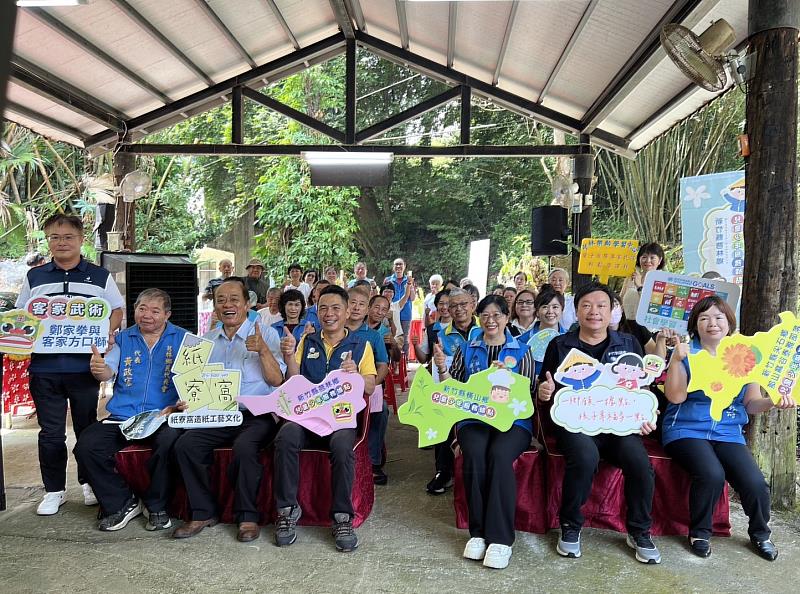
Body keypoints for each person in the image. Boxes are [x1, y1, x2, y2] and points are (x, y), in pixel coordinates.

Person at [538, 281, 661, 564]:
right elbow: (545, 388)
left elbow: (642, 389)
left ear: (611, 311)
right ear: (577, 311)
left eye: (601, 306)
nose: (594, 311)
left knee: (640, 463)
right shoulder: (560, 345)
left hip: (619, 424)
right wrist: (544, 393)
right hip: (576, 425)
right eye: (587, 305)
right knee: (584, 456)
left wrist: (646, 416)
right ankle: (570, 526)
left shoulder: (629, 343)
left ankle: (639, 531)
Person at [663, 296, 794, 561]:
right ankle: (700, 532)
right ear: (695, 325)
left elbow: (751, 403)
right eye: (704, 318)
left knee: (755, 482)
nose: (712, 323)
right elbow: (675, 398)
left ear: (729, 323)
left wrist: (773, 401)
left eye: (718, 317)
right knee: (711, 473)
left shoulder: (746, 356)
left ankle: (760, 533)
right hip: (686, 430)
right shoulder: (687, 354)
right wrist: (676, 361)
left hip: (727, 431)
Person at [16, 214, 124, 516]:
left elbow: (116, 309)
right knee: (50, 433)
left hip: (84, 368)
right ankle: (54, 491)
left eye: (68, 237)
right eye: (54, 237)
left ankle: (89, 483)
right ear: (47, 240)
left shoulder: (99, 275)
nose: (61, 242)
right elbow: (20, 317)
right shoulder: (34, 277)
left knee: (86, 430)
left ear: (80, 240)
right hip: (44, 369)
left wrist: (106, 333)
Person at [172, 278, 285, 542]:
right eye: (221, 300)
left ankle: (247, 516)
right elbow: (193, 382)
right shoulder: (206, 340)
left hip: (256, 414)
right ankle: (202, 512)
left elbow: (277, 381)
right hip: (218, 414)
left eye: (234, 299)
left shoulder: (266, 333)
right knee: (186, 445)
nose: (228, 305)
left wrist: (263, 351)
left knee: (245, 448)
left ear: (248, 304)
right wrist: (187, 400)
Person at [434, 294, 535, 570]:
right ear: (480, 318)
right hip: (474, 420)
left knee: (500, 455)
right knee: (475, 453)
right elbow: (452, 389)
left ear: (506, 318)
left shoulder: (521, 351)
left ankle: (501, 539)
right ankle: (478, 532)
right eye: (486, 315)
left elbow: (527, 395)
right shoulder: (468, 348)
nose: (491, 321)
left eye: (497, 315)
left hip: (513, 421)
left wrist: (508, 380)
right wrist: (442, 366)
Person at [275, 285, 377, 552]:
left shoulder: (361, 344)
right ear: (316, 312)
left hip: (340, 418)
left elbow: (370, 386)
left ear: (347, 313)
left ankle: (342, 517)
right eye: (323, 308)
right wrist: (289, 355)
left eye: (335, 308)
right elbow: (293, 380)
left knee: (343, 446)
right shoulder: (307, 341)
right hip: (308, 417)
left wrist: (356, 374)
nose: (328, 313)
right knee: (285, 436)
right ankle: (286, 510)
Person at [75, 289, 186, 531]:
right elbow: (108, 370)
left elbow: (195, 379)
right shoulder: (122, 339)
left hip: (164, 416)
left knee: (169, 442)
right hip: (123, 417)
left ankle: (157, 505)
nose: (147, 315)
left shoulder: (184, 339)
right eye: (142, 308)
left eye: (155, 310)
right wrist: (99, 368)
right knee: (87, 446)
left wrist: (184, 402)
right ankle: (122, 502)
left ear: (167, 314)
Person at [425, 288, 477, 495]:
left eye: (463, 304)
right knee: (441, 412)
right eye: (453, 305)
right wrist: (436, 365)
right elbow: (437, 368)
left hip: (481, 393)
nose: (458, 309)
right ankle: (443, 471)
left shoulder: (486, 328)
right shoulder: (441, 335)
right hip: (451, 389)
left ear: (473, 304)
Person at [346, 287, 391, 486]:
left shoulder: (373, 336)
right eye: (352, 302)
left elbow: (382, 365)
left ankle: (373, 462)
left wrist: (373, 383)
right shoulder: (333, 329)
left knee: (380, 410)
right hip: (337, 391)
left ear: (367, 311)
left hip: (367, 387)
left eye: (361, 304)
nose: (356, 308)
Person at [620, 242, 666, 320]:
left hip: (649, 327)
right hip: (626, 325)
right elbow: (620, 300)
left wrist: (639, 286)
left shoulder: (663, 280)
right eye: (644, 257)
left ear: (659, 260)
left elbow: (656, 306)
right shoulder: (631, 277)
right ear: (639, 258)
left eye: (652, 257)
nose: (648, 260)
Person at [412, 289, 451, 367]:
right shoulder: (431, 329)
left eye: (448, 304)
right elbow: (423, 359)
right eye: (441, 303)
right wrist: (416, 346)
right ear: (436, 306)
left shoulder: (460, 327)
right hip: (435, 373)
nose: (444, 307)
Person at [384, 259, 414, 356]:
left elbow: (411, 298)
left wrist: (410, 285)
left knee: (404, 339)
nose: (398, 266)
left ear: (404, 266)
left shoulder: (409, 280)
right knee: (388, 338)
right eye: (396, 264)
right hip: (388, 311)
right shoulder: (388, 280)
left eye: (400, 264)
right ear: (393, 266)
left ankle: (404, 362)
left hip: (405, 313)